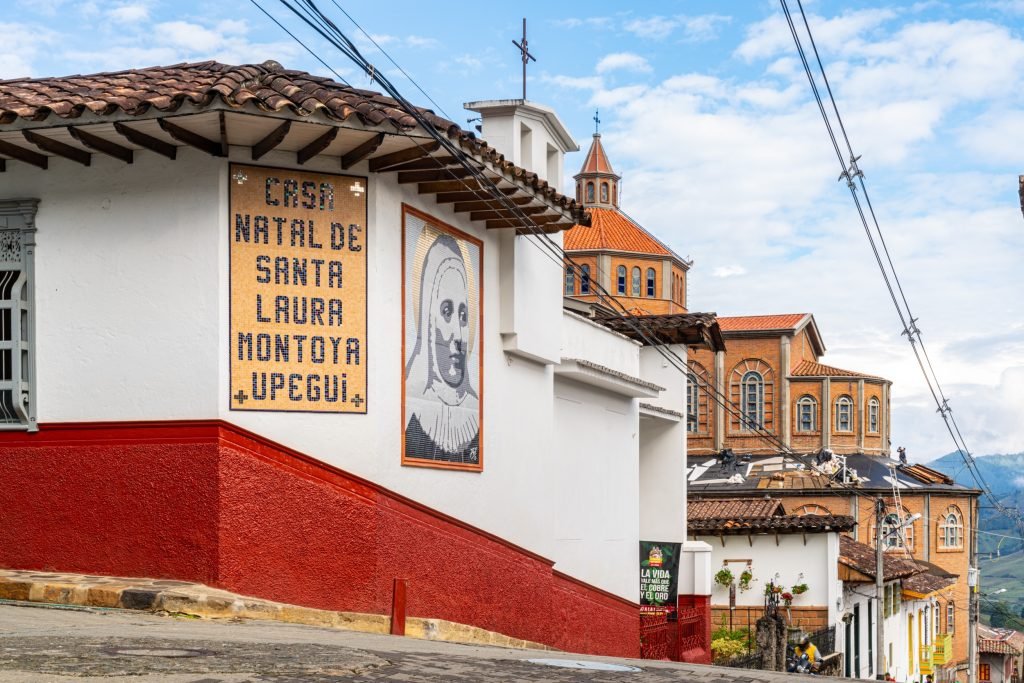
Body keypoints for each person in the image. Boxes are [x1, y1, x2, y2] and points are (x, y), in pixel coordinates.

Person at [404, 232, 479, 464]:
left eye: (464, 316)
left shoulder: (475, 419)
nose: (458, 334)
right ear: (428, 321)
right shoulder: (411, 419)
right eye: (447, 312)